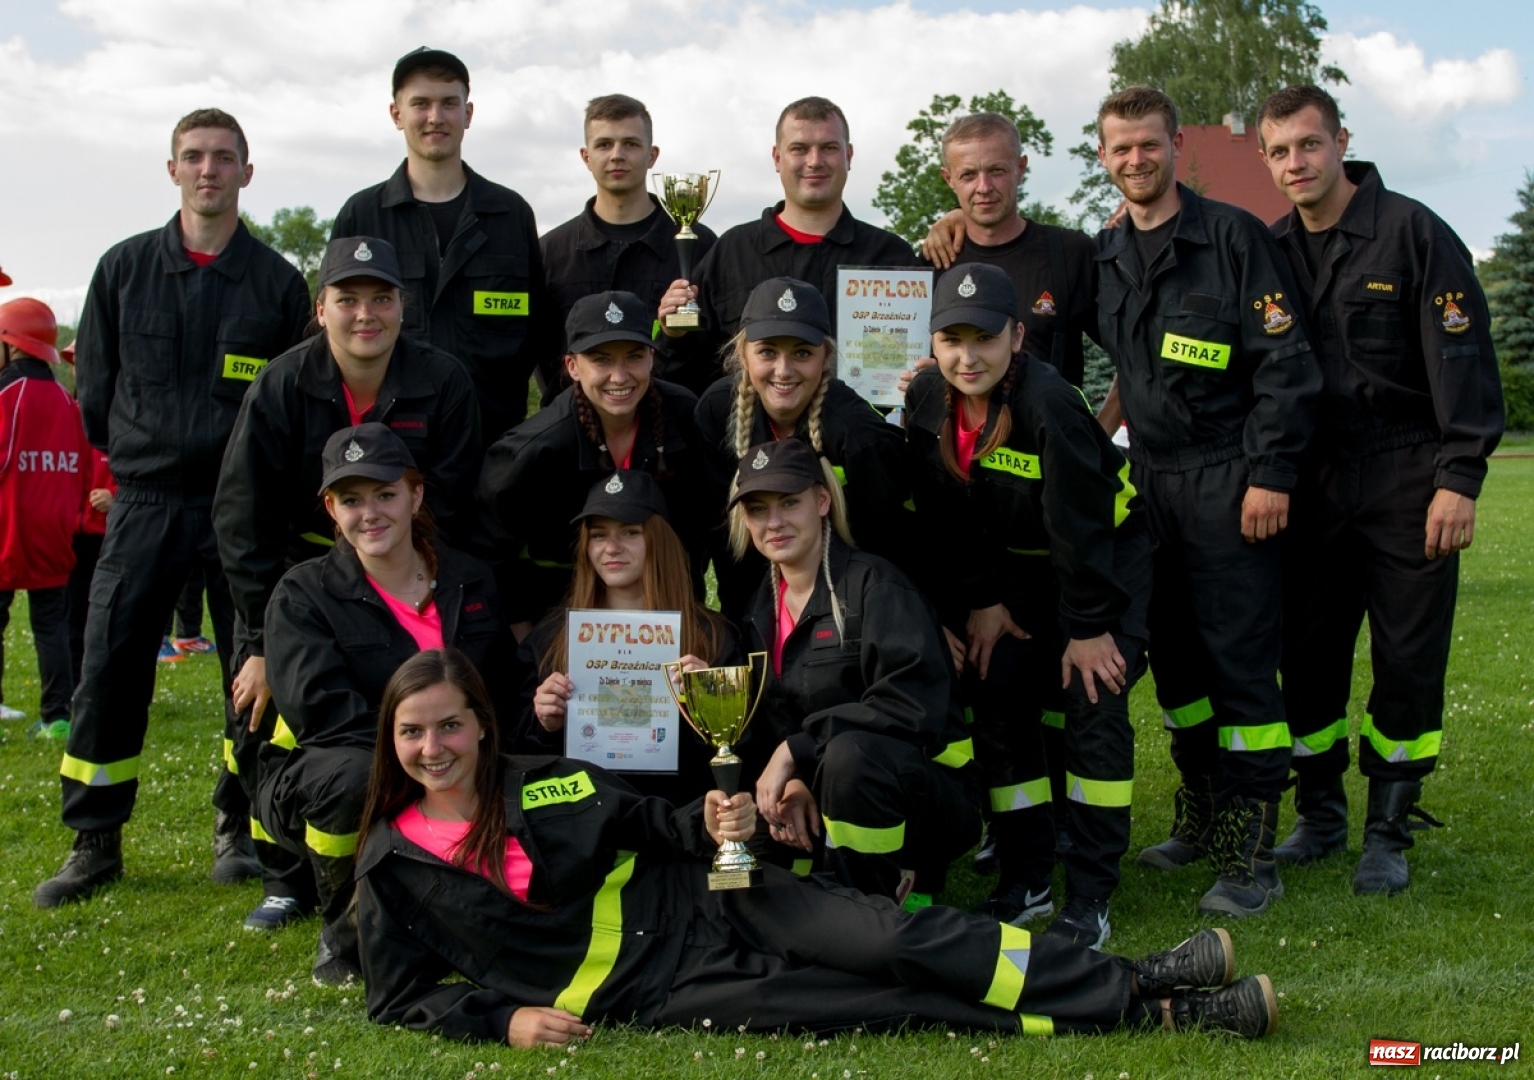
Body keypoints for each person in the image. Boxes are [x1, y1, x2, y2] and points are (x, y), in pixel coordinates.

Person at [356, 647, 1279, 1045]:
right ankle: (1164, 1014)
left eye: (449, 727)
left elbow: (654, 825)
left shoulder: (542, 777)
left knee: (897, 939)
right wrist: (503, 1020)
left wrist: (718, 822)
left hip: (714, 898)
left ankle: (1140, 973)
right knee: (884, 1002)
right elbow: (400, 1000)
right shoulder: (388, 867)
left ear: (481, 725)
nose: (432, 749)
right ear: (392, 746)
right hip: (659, 989)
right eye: (412, 735)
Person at [34, 108, 310, 909]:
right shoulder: (123, 270)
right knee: (111, 669)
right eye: (193, 157)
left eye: (224, 158)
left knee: (254, 674)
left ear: (247, 174)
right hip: (146, 502)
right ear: (172, 170)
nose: (209, 170)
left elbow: (287, 401)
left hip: (245, 508)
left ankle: (239, 827)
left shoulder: (276, 283)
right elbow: (95, 396)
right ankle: (95, 841)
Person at [1255, 86, 1505, 895]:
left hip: (1406, 474)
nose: (1296, 163)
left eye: (1309, 145)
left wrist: (1458, 478)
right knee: (1308, 655)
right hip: (1313, 481)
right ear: (1265, 160)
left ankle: (1388, 830)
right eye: (1280, 151)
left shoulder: (1414, 232)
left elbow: (1462, 360)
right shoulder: (1271, 248)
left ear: (1341, 142)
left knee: (1408, 658)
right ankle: (1320, 816)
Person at [1092, 87, 1322, 919]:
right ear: (1103, 155)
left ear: (1175, 144)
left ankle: (1250, 853)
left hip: (1232, 479)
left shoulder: (1233, 239)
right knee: (1179, 669)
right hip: (1150, 485)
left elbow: (1286, 368)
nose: (1135, 161)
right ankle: (1199, 814)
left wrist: (1271, 475)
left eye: (1148, 145)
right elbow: (1114, 360)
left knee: (1240, 667)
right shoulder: (1105, 254)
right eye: (1119, 149)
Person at [215, 235, 480, 930]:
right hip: (295, 586)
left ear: (402, 305)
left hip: (402, 572)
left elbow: (453, 506)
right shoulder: (281, 383)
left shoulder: (443, 380)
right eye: (348, 299)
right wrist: (260, 640)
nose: (366, 314)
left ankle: (421, 857)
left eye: (381, 298)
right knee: (272, 715)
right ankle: (285, 876)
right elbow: (244, 519)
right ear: (321, 308)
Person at [907, 263, 1152, 947]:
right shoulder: (929, 399)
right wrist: (982, 600)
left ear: (1016, 336)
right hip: (1022, 571)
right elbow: (949, 516)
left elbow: (1083, 528)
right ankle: (1027, 876)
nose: (967, 355)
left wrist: (1089, 628)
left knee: (1091, 701)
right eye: (950, 339)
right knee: (1000, 687)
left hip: (1102, 564)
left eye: (983, 338)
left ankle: (1092, 894)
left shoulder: (1051, 404)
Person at [254, 423, 508, 985]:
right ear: (330, 509)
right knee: (354, 781)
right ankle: (344, 927)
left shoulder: (470, 577)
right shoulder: (302, 594)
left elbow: (500, 689)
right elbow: (325, 717)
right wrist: (432, 763)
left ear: (416, 496)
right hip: (330, 769)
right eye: (351, 500)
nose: (370, 513)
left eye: (385, 494)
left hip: (454, 758)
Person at [726, 438, 977, 901]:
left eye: (789, 503)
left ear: (822, 501)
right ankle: (834, 886)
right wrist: (799, 779)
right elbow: (778, 719)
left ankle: (879, 897)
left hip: (930, 795)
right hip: (829, 784)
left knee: (851, 757)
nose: (774, 522)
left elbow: (911, 707)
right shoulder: (758, 610)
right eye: (758, 509)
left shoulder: (875, 586)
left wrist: (798, 752)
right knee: (746, 865)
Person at [332, 47, 558, 434]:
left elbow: (539, 335)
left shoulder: (511, 215)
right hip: (388, 451)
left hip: (493, 444)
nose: (435, 117)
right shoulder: (362, 216)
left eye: (448, 104)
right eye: (420, 104)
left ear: (467, 114)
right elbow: (332, 334)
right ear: (396, 114)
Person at [478, 290, 711, 640]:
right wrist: (525, 639)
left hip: (663, 613)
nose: (620, 377)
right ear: (572, 366)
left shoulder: (683, 416)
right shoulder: (534, 451)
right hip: (559, 612)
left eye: (633, 357)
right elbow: (492, 552)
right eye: (601, 360)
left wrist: (689, 619)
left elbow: (697, 530)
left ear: (651, 357)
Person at [694, 277, 913, 620]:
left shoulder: (859, 434)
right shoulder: (716, 410)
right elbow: (725, 543)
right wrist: (739, 627)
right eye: (767, 351)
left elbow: (891, 542)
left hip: (851, 595)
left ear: (825, 356)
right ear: (742, 354)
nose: (783, 370)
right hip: (754, 590)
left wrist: (920, 616)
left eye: (802, 353)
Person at [658, 97, 921, 374]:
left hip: (858, 417)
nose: (814, 161)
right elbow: (689, 372)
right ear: (777, 158)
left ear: (849, 156)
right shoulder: (733, 252)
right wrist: (673, 335)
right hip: (747, 417)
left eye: (829, 148)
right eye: (800, 149)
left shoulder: (890, 256)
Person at [519, 470, 735, 803]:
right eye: (599, 535)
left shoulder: (713, 637)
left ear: (658, 541)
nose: (612, 548)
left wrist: (709, 711)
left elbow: (743, 755)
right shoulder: (551, 639)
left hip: (681, 816)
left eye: (630, 532)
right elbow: (517, 755)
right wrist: (544, 724)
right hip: (586, 817)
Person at [541, 94, 719, 392]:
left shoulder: (701, 246)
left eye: (631, 144)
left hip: (677, 426)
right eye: (604, 144)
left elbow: (713, 349)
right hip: (575, 428)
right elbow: (543, 352)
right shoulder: (551, 252)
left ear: (652, 155)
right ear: (586, 157)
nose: (617, 155)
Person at [918, 113, 1103, 392]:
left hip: (1051, 435)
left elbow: (1134, 356)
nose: (984, 187)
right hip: (959, 436)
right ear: (949, 178)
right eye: (968, 175)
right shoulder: (933, 264)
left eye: (997, 171)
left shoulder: (1070, 254)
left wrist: (1097, 430)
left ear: (1020, 168)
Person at [0, 297, 92, 737]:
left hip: (7, 530)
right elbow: (78, 469)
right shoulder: (64, 399)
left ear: (11, 345)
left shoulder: (6, 394)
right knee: (51, 625)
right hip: (55, 534)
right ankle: (56, 715)